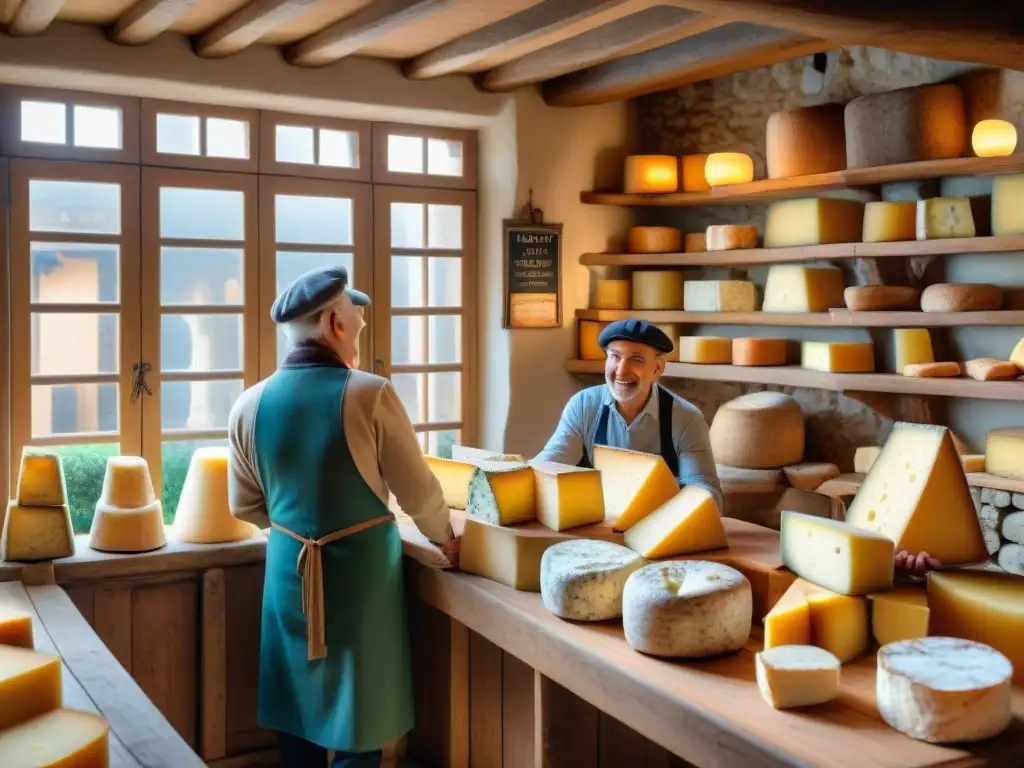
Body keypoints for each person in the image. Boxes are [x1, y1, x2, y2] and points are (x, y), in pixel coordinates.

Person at [226, 265, 460, 768]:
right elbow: (419, 495)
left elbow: (243, 505)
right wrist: (447, 537)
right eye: (356, 317)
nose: (359, 326)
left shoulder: (248, 404)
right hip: (361, 582)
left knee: (299, 704)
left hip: (288, 574)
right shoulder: (370, 393)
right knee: (361, 711)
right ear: (335, 322)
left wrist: (299, 528)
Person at [535, 319, 722, 509]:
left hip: (656, 527)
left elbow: (705, 492)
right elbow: (550, 465)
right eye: (615, 357)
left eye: (636, 360)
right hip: (595, 526)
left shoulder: (686, 419)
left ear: (657, 368)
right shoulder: (583, 406)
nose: (621, 371)